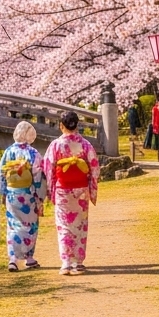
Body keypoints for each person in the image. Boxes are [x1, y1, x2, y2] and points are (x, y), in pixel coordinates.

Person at [41, 111, 99, 275]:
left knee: (64, 225)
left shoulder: (56, 145)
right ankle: (78, 263)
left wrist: (50, 189)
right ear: (77, 125)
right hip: (81, 189)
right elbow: (94, 168)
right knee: (80, 224)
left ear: (61, 125)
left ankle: (66, 262)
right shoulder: (86, 145)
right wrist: (91, 188)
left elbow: (49, 168)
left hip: (63, 189)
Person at [0, 120, 48, 272]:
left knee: (12, 226)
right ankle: (29, 258)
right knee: (30, 226)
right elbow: (38, 176)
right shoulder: (33, 153)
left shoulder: (8, 151)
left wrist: (2, 193)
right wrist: (40, 197)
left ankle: (13, 259)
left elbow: (1, 173)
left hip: (12, 195)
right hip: (28, 194)